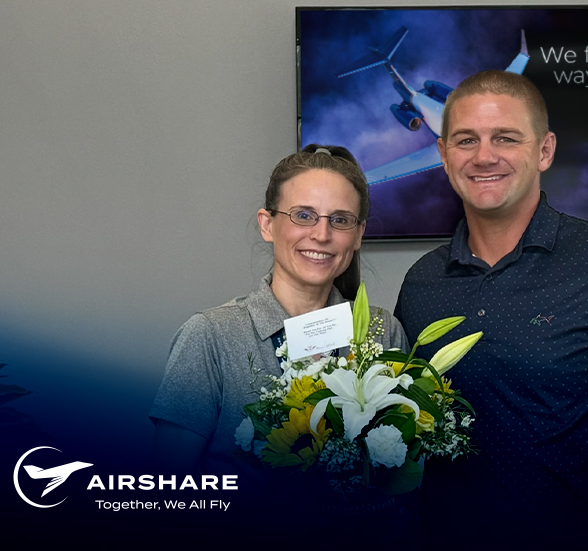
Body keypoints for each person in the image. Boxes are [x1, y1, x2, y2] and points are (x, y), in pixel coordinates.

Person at [394, 71, 588, 551]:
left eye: (505, 138)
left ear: (545, 151)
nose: (484, 156)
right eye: (466, 140)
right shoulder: (422, 283)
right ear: (443, 156)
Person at [150, 144, 409, 499]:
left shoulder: (383, 331)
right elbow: (169, 489)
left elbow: (404, 476)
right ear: (267, 224)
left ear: (359, 234)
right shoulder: (211, 336)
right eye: (303, 215)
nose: (321, 235)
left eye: (340, 219)